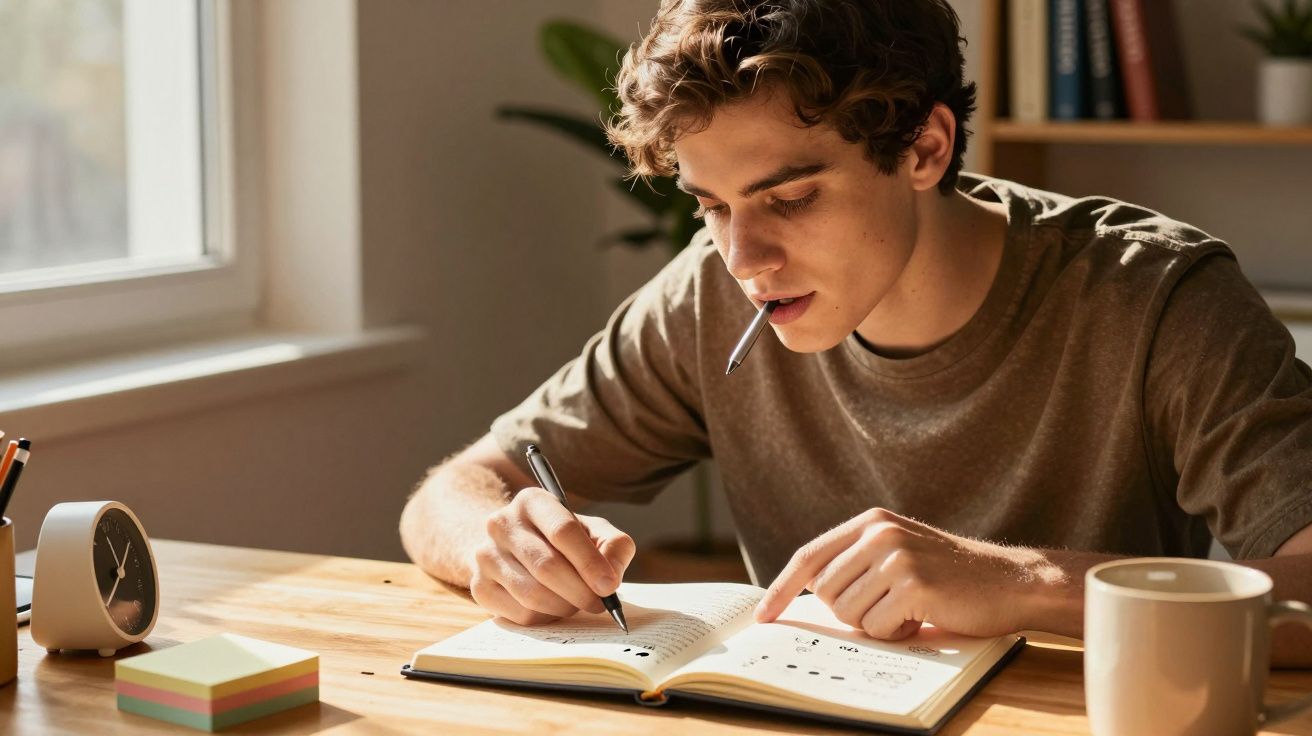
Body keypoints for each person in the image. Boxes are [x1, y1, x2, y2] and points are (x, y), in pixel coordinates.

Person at [400, 0, 1312, 664]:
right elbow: (457, 488)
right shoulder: (708, 296)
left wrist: (1024, 582)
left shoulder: (1159, 298)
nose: (744, 257)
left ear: (925, 148)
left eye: (789, 199)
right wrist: (500, 539)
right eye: (710, 207)